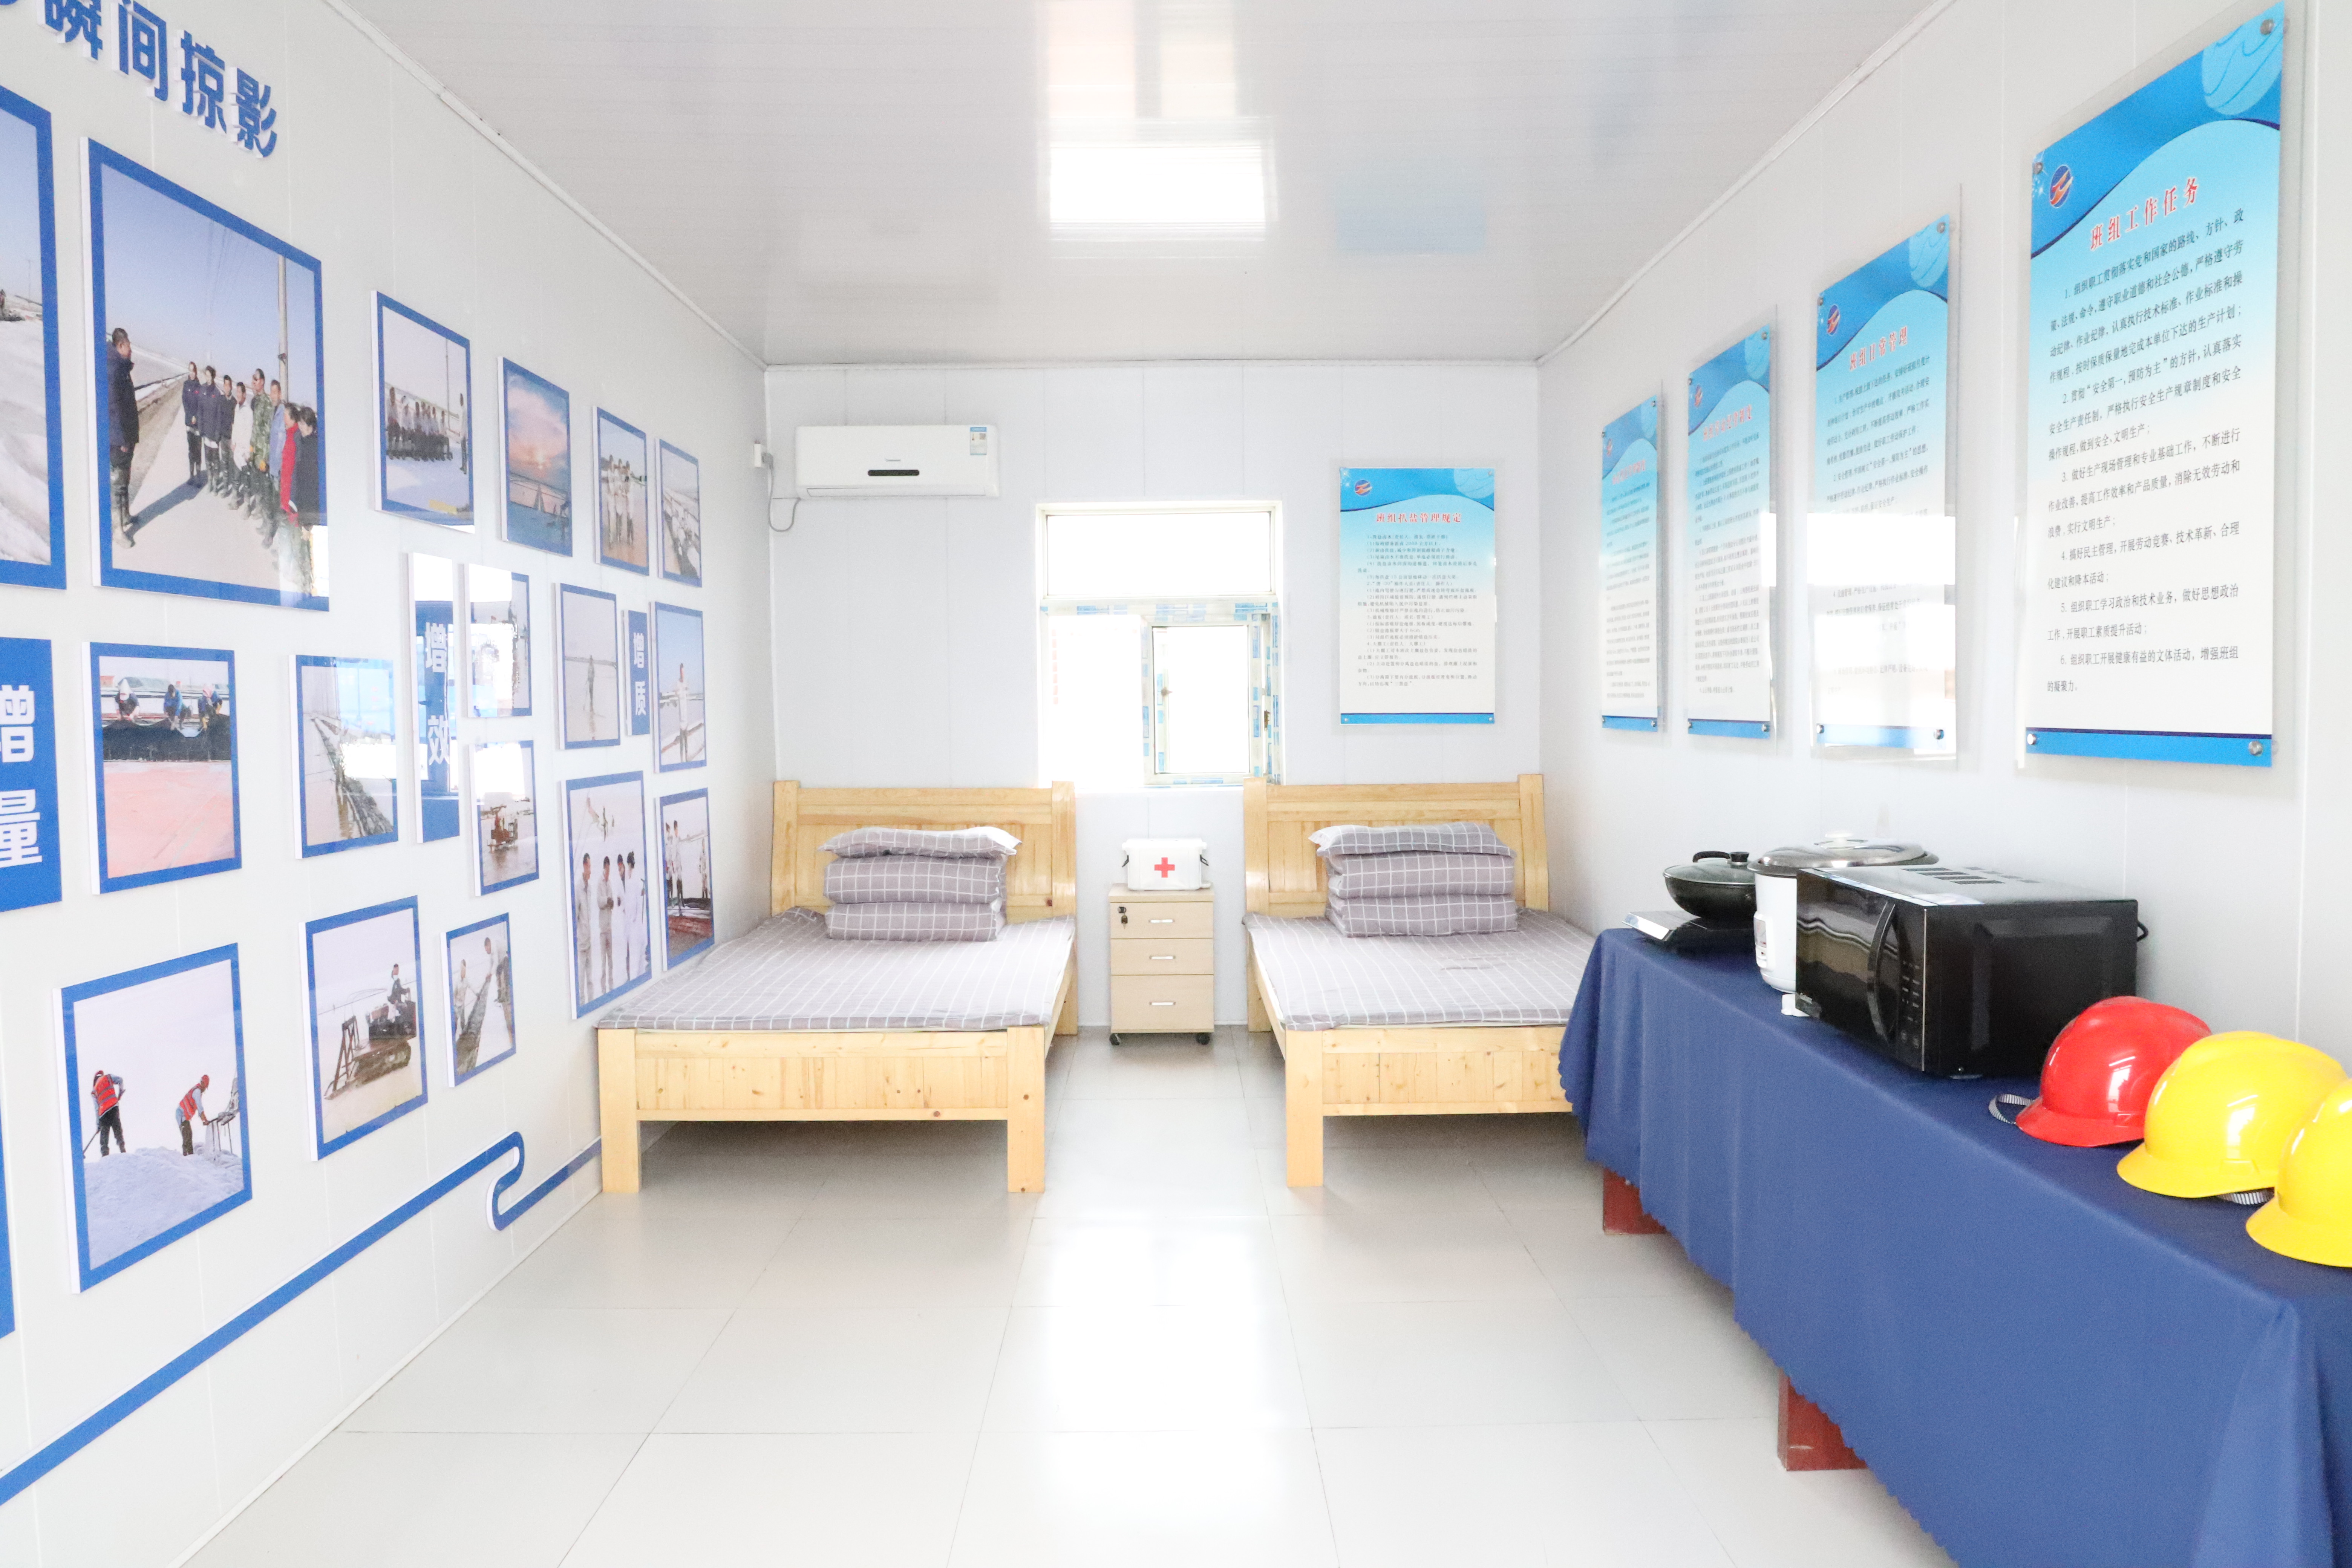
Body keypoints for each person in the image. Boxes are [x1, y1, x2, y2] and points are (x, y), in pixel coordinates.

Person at [107, 328, 140, 540]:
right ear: (120, 346)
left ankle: (126, 516)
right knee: (118, 484)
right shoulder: (114, 370)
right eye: (129, 346)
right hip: (119, 439)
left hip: (126, 436)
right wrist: (122, 439)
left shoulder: (122, 368)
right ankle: (118, 531)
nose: (131, 350)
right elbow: (114, 408)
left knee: (125, 478)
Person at [228, 383, 254, 507]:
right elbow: (235, 428)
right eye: (237, 392)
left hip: (244, 452)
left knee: (246, 480)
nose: (238, 395)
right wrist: (233, 442)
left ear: (245, 394)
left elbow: (249, 433)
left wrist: (247, 453)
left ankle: (247, 506)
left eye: (240, 392)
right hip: (237, 449)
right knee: (236, 477)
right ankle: (234, 501)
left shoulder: (248, 412)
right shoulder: (237, 408)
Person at [90, 1069, 126, 1156]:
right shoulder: (108, 1077)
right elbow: (120, 1080)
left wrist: (98, 1125)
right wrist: (120, 1094)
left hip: (103, 1114)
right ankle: (122, 1147)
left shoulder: (94, 1091)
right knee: (117, 1127)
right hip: (113, 1107)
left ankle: (105, 1154)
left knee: (104, 1134)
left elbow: (97, 1109)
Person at [177, 1074, 211, 1156]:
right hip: (181, 1114)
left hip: (185, 1116)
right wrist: (204, 1120)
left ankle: (191, 1156)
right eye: (205, 1086)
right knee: (187, 1136)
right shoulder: (197, 1092)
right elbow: (200, 1107)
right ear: (203, 1084)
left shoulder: (198, 1091)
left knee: (189, 1135)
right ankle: (186, 1157)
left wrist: (204, 1119)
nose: (205, 1089)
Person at [181, 360, 202, 477]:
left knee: (198, 450)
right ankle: (191, 475)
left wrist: (196, 417)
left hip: (198, 424)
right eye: (190, 371)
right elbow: (185, 402)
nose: (192, 373)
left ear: (196, 372)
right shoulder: (186, 385)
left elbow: (201, 405)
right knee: (191, 449)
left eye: (193, 371)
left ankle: (198, 475)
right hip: (189, 423)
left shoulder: (200, 387)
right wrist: (191, 417)